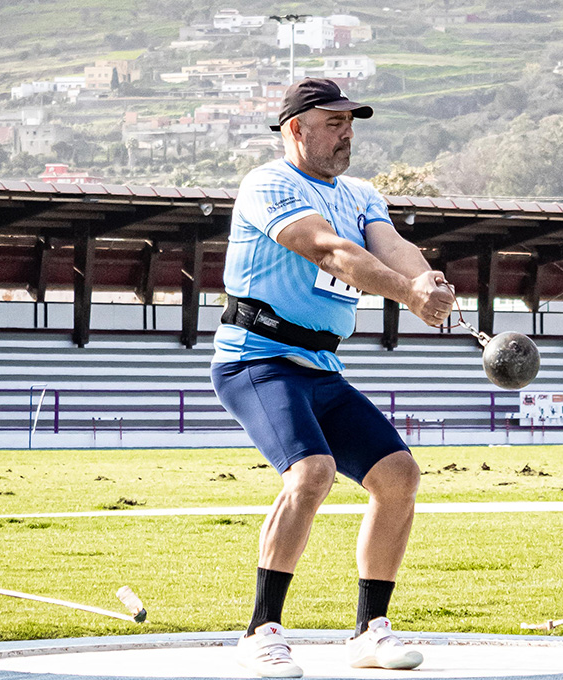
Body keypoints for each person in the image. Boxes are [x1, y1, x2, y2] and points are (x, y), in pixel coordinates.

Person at [211, 78, 455, 678]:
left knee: (398, 475)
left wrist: (426, 283)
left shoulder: (362, 192)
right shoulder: (268, 184)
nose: (347, 132)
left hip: (320, 366)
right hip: (256, 357)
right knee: (312, 470)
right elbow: (327, 250)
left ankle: (370, 633)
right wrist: (407, 295)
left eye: (352, 121)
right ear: (296, 129)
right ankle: (260, 631)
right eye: (334, 122)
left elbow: (390, 245)